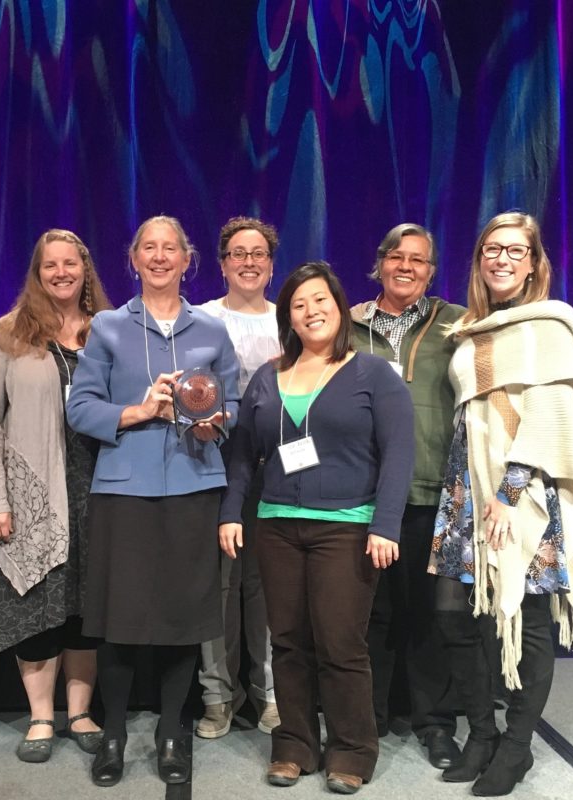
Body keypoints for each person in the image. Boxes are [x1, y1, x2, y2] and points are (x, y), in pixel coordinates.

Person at [220, 261, 415, 795]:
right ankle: (295, 744)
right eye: (299, 305)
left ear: (338, 306)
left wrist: (387, 525)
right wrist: (231, 513)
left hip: (347, 529)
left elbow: (399, 454)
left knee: (340, 643)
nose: (311, 311)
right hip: (277, 526)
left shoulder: (373, 374)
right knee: (287, 641)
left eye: (320, 301)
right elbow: (242, 457)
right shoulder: (267, 376)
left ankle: (351, 749)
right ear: (288, 317)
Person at [428, 212, 573, 796]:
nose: (501, 259)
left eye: (514, 250)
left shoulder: (551, 326)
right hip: (465, 489)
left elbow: (552, 416)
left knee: (524, 622)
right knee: (457, 616)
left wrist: (507, 493)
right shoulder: (472, 328)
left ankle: (517, 743)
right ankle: (481, 732)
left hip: (519, 493)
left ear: (533, 263)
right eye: (490, 250)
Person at [65, 215, 239, 787]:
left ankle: (171, 733)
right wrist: (139, 411)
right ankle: (112, 734)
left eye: (171, 249)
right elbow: (80, 408)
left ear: (188, 261)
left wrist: (214, 421)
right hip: (124, 492)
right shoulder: (110, 327)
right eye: (149, 248)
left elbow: (231, 404)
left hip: (193, 489)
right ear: (133, 259)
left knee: (182, 619)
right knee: (119, 620)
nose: (160, 257)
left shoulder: (211, 330)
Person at [0, 229, 113, 763]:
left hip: (99, 490)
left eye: (69, 263)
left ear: (85, 268)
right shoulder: (6, 335)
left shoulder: (110, 331)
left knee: (83, 608)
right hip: (32, 493)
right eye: (49, 264)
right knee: (37, 608)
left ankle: (80, 713)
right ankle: (40, 717)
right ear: (36, 271)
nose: (60, 273)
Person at [349, 223, 466, 768]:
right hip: (360, 497)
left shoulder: (459, 325)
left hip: (429, 491)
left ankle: (435, 723)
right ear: (379, 262)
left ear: (431, 270)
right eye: (395, 256)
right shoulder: (348, 324)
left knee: (426, 616)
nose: (405, 266)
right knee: (369, 616)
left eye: (417, 260)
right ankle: (365, 721)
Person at [195, 216, 281, 739]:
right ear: (223, 263)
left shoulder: (289, 318)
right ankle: (217, 696)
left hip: (276, 472)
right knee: (218, 588)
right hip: (212, 468)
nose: (248, 262)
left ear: (271, 263)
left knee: (268, 585)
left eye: (258, 253)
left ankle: (271, 694)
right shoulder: (200, 318)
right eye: (238, 254)